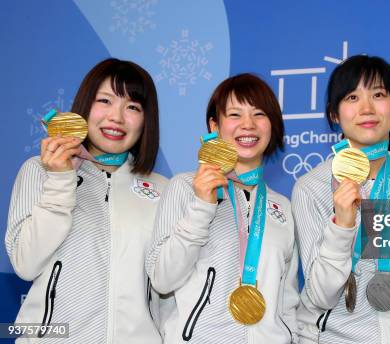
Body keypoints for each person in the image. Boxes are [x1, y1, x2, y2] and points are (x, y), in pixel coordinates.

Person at [5, 58, 167, 343]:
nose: (116, 117)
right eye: (104, 100)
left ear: (146, 120)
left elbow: (167, 293)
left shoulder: (163, 189)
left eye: (132, 107)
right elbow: (26, 264)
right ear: (83, 106)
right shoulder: (39, 170)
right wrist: (60, 180)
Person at [146, 73, 299, 343]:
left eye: (259, 114)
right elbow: (162, 279)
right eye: (235, 115)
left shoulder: (282, 206)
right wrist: (203, 206)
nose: (248, 125)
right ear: (214, 125)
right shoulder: (184, 187)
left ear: (272, 126)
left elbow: (287, 301)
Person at [292, 55, 390, 343]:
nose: (367, 108)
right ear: (334, 113)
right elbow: (320, 294)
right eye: (353, 97)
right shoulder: (311, 187)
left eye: (378, 94)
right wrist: (342, 226)